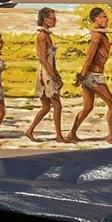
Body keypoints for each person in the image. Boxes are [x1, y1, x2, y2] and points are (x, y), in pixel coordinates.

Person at [69, 7, 112, 143]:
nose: (106, 19)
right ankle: (111, 137)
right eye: (103, 16)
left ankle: (71, 134)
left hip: (91, 75)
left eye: (106, 16)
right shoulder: (97, 35)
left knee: (88, 107)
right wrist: (81, 76)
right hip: (93, 76)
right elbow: (89, 57)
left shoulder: (102, 33)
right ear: (96, 19)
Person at [25, 7, 68, 143]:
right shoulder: (42, 36)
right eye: (53, 18)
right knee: (57, 106)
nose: (55, 20)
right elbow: (43, 59)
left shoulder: (47, 35)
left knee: (46, 106)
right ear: (45, 20)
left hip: (48, 71)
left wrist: (57, 74)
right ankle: (59, 136)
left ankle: (29, 131)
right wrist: (54, 77)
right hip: (46, 74)